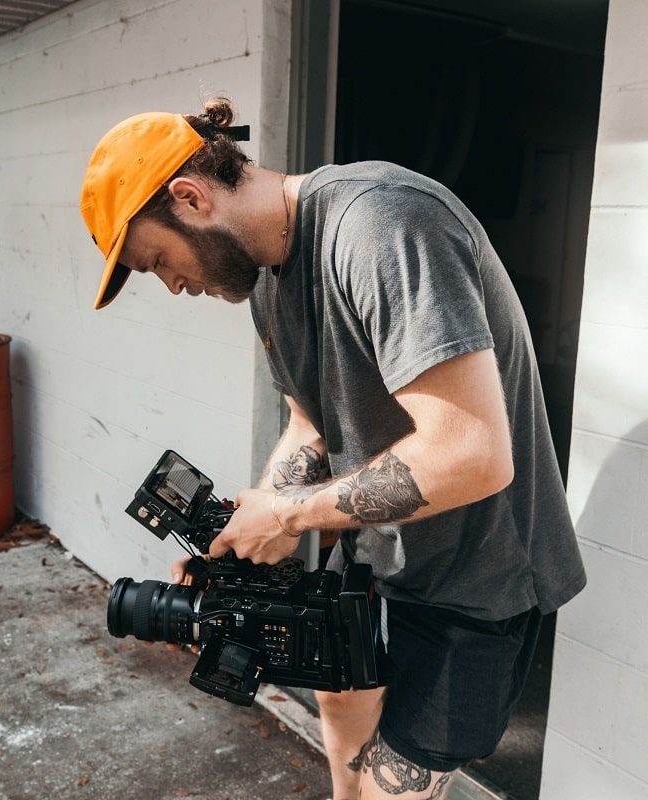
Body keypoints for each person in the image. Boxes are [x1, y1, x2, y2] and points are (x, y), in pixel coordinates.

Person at [80, 99, 586, 800]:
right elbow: (309, 425)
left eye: (158, 261)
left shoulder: (383, 223)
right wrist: (240, 547)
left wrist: (288, 516)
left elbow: (473, 452)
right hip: (375, 558)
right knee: (341, 722)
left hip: (474, 576)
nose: (173, 286)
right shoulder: (266, 281)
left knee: (392, 787)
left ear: (190, 198)